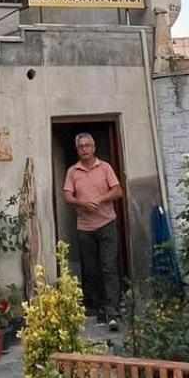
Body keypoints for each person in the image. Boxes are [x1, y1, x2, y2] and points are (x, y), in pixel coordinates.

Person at [61, 132, 123, 329]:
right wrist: (82, 203)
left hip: (107, 224)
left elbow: (118, 191)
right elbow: (67, 197)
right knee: (90, 269)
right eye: (81, 147)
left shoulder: (105, 167)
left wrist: (99, 199)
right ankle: (95, 308)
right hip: (85, 227)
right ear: (77, 150)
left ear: (94, 148)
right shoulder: (73, 171)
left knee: (109, 267)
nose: (85, 149)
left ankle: (112, 309)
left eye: (88, 146)